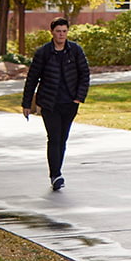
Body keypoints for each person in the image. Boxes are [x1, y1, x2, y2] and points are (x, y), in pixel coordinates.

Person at [22, 16, 91, 191]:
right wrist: (26, 103)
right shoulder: (44, 52)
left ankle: (57, 171)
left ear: (67, 32)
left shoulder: (75, 50)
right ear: (52, 32)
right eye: (58, 31)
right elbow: (32, 78)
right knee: (53, 138)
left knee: (62, 138)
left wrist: (78, 97)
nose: (61, 35)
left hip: (69, 102)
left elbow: (84, 75)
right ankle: (55, 174)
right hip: (49, 102)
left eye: (64, 31)